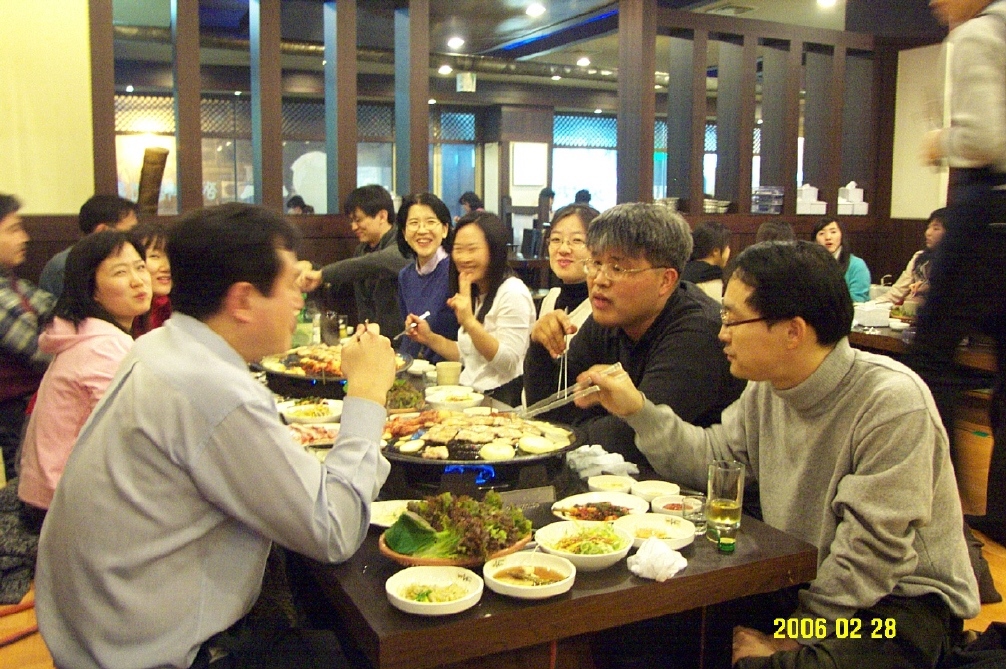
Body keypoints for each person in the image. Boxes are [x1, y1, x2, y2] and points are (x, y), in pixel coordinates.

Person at [578, 241, 980, 669]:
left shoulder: (891, 401)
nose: (721, 333)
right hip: (805, 580)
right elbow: (713, 460)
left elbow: (872, 554)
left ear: (793, 331)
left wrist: (795, 635)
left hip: (897, 608)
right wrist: (637, 410)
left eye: (732, 318)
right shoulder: (767, 389)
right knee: (645, 622)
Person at [35, 203, 396, 669]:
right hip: (152, 654)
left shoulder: (160, 344)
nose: (299, 300)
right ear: (242, 300)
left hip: (95, 629)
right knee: (361, 646)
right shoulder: (211, 388)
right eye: (290, 284)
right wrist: (367, 392)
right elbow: (335, 529)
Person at [523, 203, 744, 464]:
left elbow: (630, 439)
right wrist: (540, 347)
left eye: (617, 268)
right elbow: (548, 411)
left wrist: (572, 424)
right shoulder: (610, 317)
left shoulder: (698, 333)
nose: (599, 279)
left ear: (665, 281)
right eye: (596, 263)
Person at [913, 0, 1006, 544]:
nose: (937, 4)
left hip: (988, 208)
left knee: (930, 357)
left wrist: (939, 141)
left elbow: (984, 139)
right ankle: (999, 514)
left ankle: (934, 502)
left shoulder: (978, 35)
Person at [18, 230, 152, 529]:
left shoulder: (88, 334)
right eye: (120, 272)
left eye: (140, 267)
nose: (138, 280)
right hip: (62, 505)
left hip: (50, 493)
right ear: (91, 289)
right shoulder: (103, 346)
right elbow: (132, 434)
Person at [406, 211, 535, 406]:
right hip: (472, 398)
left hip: (500, 404)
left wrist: (469, 322)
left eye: (472, 249)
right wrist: (429, 338)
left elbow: (508, 364)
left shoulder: (513, 292)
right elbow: (470, 356)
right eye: (458, 249)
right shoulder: (478, 291)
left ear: (494, 251)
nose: (464, 258)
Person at [299, 185, 409, 338]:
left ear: (382, 216)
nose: (354, 227)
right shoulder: (362, 250)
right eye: (351, 221)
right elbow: (342, 285)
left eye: (358, 220)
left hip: (399, 340)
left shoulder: (403, 245)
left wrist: (322, 274)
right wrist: (314, 269)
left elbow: (372, 264)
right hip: (368, 337)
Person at [0, 194, 55, 482]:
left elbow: (56, 307)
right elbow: (38, 351)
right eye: (13, 230)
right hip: (11, 410)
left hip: (27, 404)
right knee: (22, 484)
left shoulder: (12, 282)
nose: (24, 238)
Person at [395, 193, 458, 363]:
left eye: (430, 222)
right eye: (414, 223)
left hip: (449, 372)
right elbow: (409, 335)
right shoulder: (405, 276)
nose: (422, 230)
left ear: (444, 229)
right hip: (412, 368)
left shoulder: (456, 271)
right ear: (404, 232)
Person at [39, 194, 139, 297]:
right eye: (130, 231)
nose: (135, 237)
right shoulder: (65, 265)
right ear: (102, 230)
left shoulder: (128, 257)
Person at [537, 203, 599, 331]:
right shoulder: (549, 299)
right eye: (556, 239)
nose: (563, 249)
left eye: (577, 240)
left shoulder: (602, 307)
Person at [876, 208, 947, 305]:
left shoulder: (959, 263)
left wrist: (927, 289)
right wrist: (869, 306)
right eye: (928, 227)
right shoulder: (919, 257)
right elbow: (897, 293)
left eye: (936, 228)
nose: (928, 233)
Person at [812, 217, 871, 302]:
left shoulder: (856, 264)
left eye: (833, 232)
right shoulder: (809, 264)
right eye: (821, 233)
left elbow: (858, 298)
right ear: (815, 240)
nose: (828, 237)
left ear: (842, 235)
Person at [131, 222, 173, 337]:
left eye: (170, 256)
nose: (166, 267)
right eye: (154, 256)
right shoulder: (125, 312)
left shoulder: (173, 308)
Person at [681, 220, 731, 302]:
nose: (729, 251)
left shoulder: (682, 269)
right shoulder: (712, 278)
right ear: (715, 251)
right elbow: (714, 310)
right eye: (727, 247)